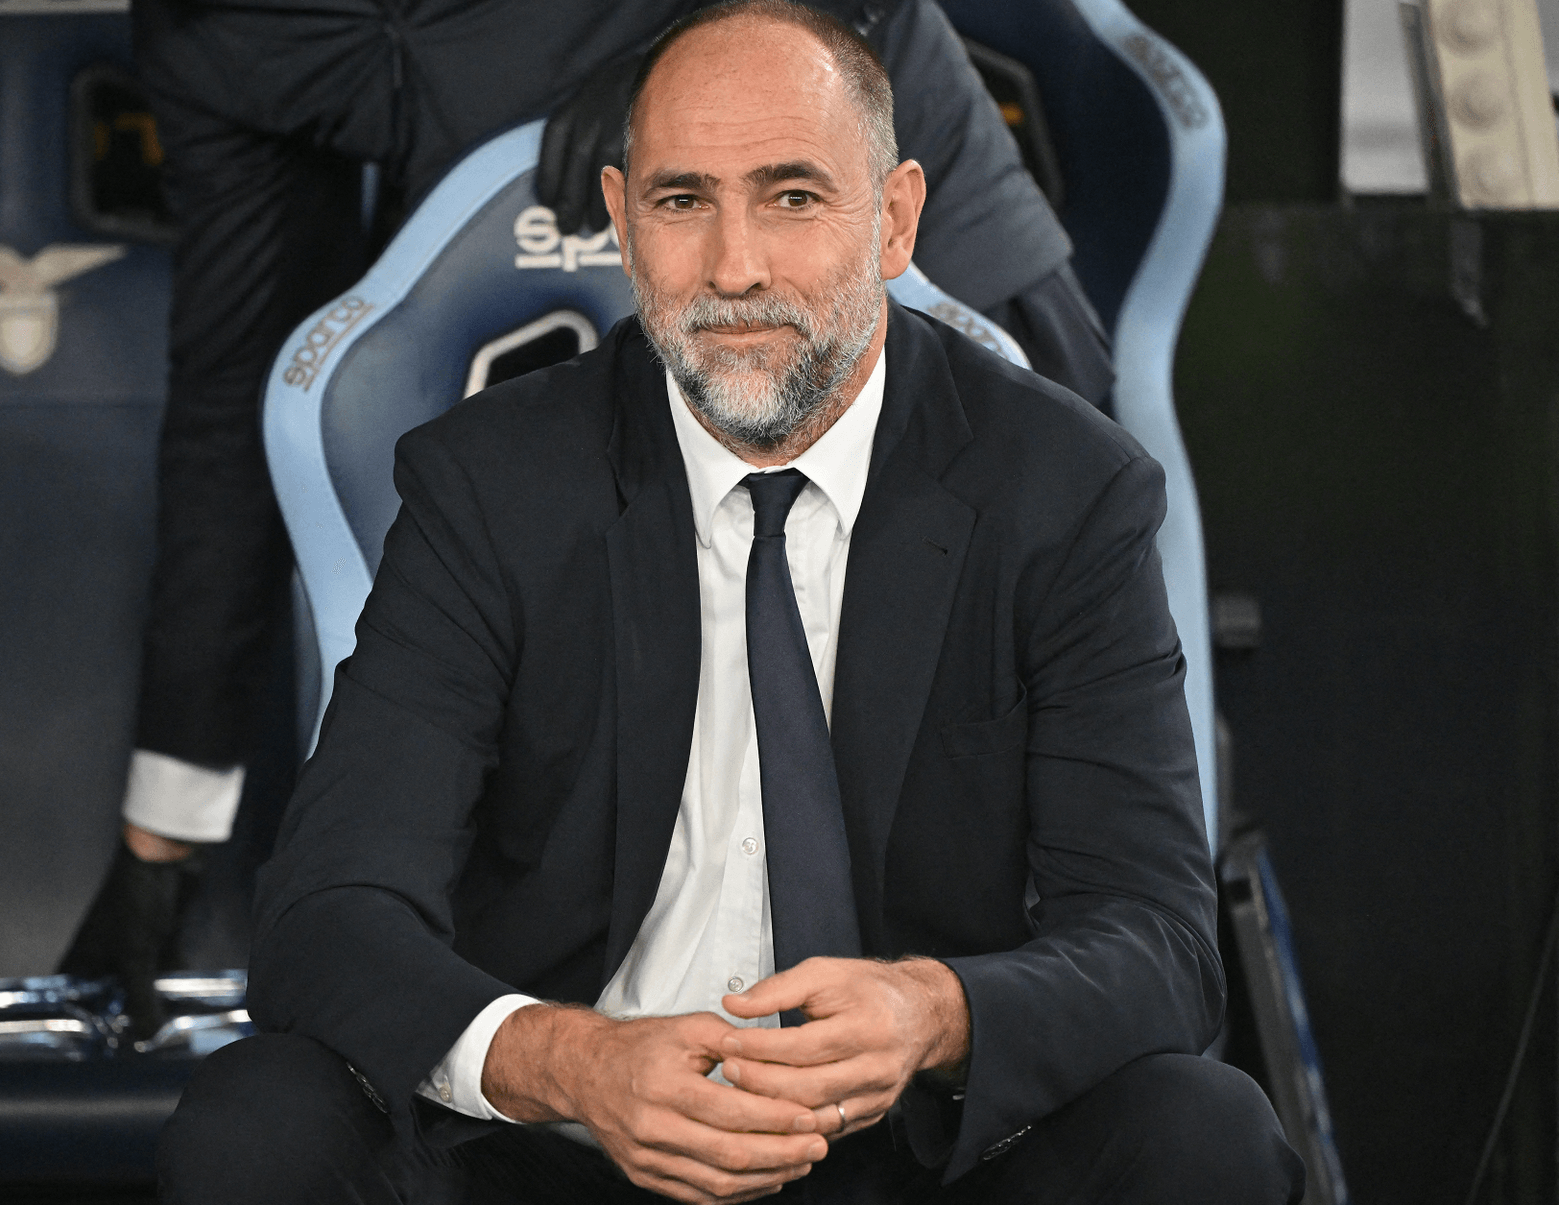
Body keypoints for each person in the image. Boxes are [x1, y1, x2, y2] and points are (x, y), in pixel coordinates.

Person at [157, 3, 1301, 1202]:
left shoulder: (1066, 489)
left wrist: (935, 1009)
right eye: (682, 201)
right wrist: (568, 1060)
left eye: (793, 197)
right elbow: (327, 912)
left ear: (896, 217)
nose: (735, 267)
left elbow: (1160, 940)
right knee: (256, 1123)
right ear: (620, 221)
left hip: (914, 1153)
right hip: (572, 1142)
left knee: (1202, 1131)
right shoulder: (488, 483)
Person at [64, 0, 1115, 1041]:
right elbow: (250, 396)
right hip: (588, 348)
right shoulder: (215, 32)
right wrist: (167, 823)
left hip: (897, 244)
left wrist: (687, 51)